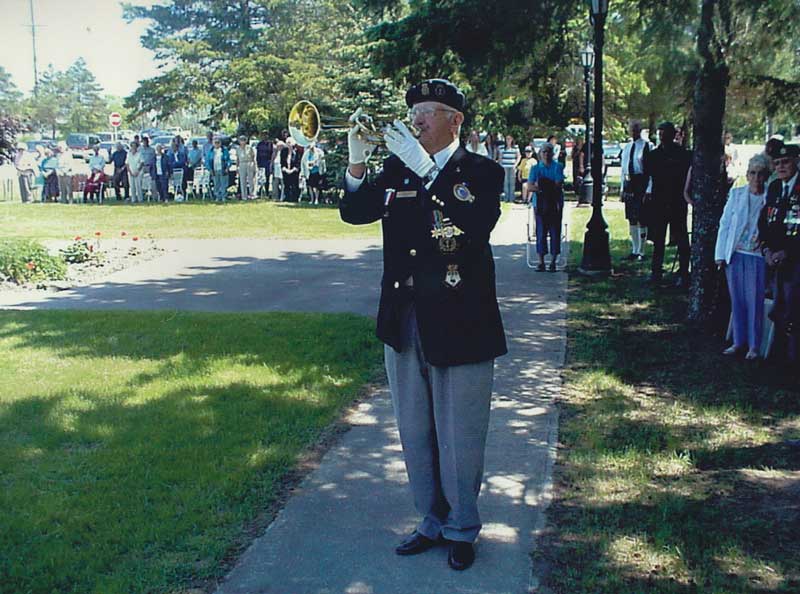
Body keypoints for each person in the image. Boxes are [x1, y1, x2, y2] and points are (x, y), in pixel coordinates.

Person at [340, 78, 507, 572]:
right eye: (413, 112)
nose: (416, 121)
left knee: (460, 432)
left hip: (461, 320)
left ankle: (462, 526)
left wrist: (426, 168)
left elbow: (474, 226)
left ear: (455, 120)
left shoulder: (481, 171)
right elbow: (354, 211)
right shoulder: (397, 166)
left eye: (427, 112)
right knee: (415, 428)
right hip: (404, 315)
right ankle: (430, 520)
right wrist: (354, 164)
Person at [715, 154, 770, 360]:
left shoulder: (770, 197)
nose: (757, 178)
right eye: (753, 173)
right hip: (735, 254)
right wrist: (720, 254)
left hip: (757, 256)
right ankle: (738, 342)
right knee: (736, 300)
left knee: (754, 300)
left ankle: (754, 346)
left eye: (761, 174)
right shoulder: (737, 194)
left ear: (767, 176)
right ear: (747, 175)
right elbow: (725, 224)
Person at [759, 144, 800, 362]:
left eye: (786, 162)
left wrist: (788, 252)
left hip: (795, 261)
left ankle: (794, 362)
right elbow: (763, 222)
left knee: (795, 311)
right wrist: (766, 248)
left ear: (796, 162)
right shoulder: (774, 187)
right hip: (774, 261)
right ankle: (780, 356)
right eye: (777, 163)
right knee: (778, 309)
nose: (781, 166)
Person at [642, 121, 692, 286]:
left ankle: (684, 272)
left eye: (665, 133)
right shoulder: (653, 155)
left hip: (677, 201)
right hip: (660, 202)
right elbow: (648, 177)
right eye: (660, 133)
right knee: (658, 238)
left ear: (672, 135)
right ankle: (656, 271)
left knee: (682, 238)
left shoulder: (682, 154)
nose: (662, 136)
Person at [528, 142, 565, 272]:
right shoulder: (535, 168)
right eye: (544, 152)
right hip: (540, 204)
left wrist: (542, 185)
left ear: (552, 153)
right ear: (540, 154)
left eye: (549, 152)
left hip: (555, 203)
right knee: (540, 232)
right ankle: (541, 262)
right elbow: (530, 186)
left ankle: (553, 262)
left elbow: (558, 184)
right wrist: (544, 187)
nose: (546, 154)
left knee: (555, 232)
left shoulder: (558, 167)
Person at [620, 120, 653, 261]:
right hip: (630, 183)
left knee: (642, 217)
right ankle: (634, 249)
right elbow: (623, 169)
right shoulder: (627, 147)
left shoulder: (647, 146)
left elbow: (651, 170)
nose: (633, 132)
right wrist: (622, 188)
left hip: (642, 183)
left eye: (636, 129)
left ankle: (642, 250)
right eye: (631, 130)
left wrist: (649, 189)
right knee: (631, 217)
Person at [205, 137, 230, 202]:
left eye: (218, 142)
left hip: (223, 169)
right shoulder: (210, 151)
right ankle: (217, 197)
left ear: (220, 143)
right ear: (213, 143)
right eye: (215, 142)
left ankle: (224, 197)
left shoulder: (224, 150)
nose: (217, 144)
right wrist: (210, 169)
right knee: (216, 184)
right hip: (214, 169)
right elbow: (207, 161)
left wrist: (227, 167)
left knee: (223, 184)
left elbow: (228, 160)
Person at [234, 135, 257, 200]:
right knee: (242, 180)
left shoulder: (249, 148)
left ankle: (252, 194)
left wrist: (255, 166)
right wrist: (237, 167)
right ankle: (244, 196)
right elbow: (237, 159)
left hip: (249, 163)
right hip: (242, 164)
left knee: (251, 180)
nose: (242, 142)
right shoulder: (238, 149)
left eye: (244, 140)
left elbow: (253, 157)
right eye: (241, 140)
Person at [499, 134, 520, 202]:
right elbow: (500, 158)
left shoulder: (515, 148)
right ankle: (506, 197)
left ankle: (511, 198)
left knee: (512, 182)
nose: (508, 140)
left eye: (509, 139)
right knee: (505, 182)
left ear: (512, 140)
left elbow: (519, 156)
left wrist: (515, 165)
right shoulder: (502, 148)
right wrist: (501, 166)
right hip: (504, 166)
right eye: (507, 139)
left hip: (512, 167)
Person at [281, 137, 301, 202]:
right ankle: (287, 197)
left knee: (294, 185)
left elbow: (298, 162)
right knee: (286, 185)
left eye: (289, 143)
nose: (288, 144)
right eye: (287, 143)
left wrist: (293, 170)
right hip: (286, 171)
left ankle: (294, 198)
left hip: (294, 171)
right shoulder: (283, 151)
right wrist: (285, 169)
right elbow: (282, 162)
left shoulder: (296, 152)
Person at [256, 132, 274, 198]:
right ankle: (260, 192)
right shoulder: (259, 144)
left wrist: (271, 163)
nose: (264, 136)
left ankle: (266, 191)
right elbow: (258, 155)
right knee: (261, 178)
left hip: (268, 162)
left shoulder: (270, 144)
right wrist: (257, 163)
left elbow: (272, 153)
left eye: (266, 135)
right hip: (261, 162)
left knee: (267, 177)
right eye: (263, 135)